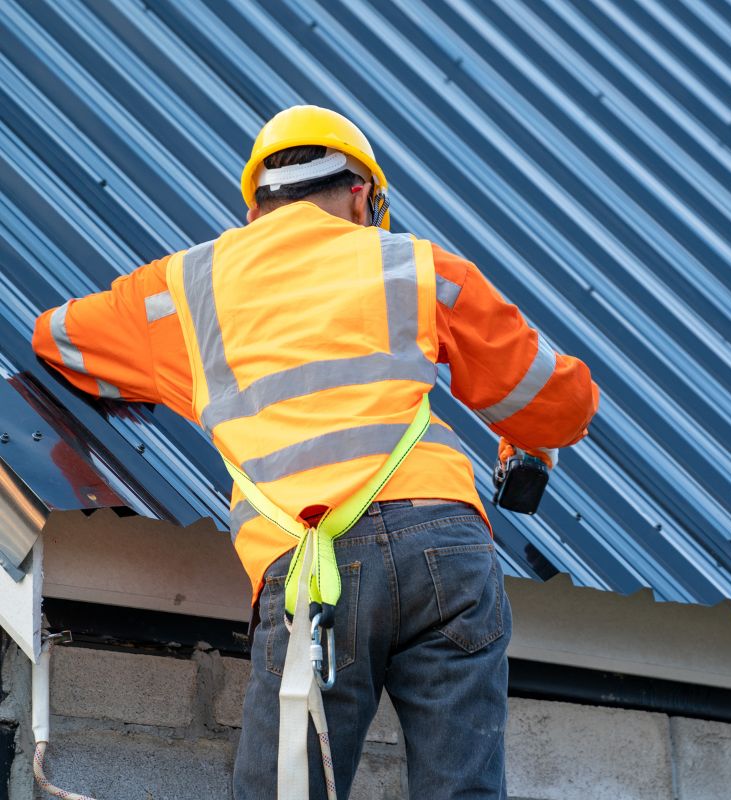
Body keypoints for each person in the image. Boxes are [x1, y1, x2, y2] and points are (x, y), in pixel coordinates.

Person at [30, 105, 600, 799]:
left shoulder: (187, 287)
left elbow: (57, 337)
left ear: (256, 202)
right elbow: (560, 403)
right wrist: (527, 434)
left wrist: (188, 381)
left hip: (315, 570)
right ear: (362, 195)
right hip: (445, 544)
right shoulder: (417, 265)